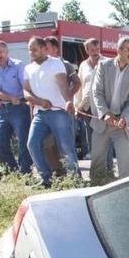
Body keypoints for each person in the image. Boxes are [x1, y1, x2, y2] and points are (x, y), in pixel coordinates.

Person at [24, 36, 80, 186]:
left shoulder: (56, 64)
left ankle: (75, 179)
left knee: (66, 147)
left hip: (59, 113)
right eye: (30, 49)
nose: (31, 52)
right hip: (40, 113)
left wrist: (68, 101)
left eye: (34, 49)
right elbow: (26, 92)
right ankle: (46, 178)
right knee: (32, 144)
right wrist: (39, 102)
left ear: (44, 49)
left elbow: (63, 85)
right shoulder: (28, 68)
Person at [90, 36, 129, 181]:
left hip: (122, 124)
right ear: (119, 50)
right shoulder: (103, 66)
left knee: (124, 164)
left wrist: (124, 118)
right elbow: (97, 92)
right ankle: (96, 187)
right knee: (97, 160)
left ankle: (126, 194)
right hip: (103, 121)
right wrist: (105, 114)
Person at [0, 41, 33, 175]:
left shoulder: (18, 65)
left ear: (6, 52)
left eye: (0, 52)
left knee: (23, 141)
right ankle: (13, 171)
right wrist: (9, 97)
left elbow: (25, 86)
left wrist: (20, 99)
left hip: (20, 107)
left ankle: (25, 171)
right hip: (4, 108)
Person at [42, 36, 82, 175]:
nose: (44, 52)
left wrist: (68, 98)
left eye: (46, 48)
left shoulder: (65, 65)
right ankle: (57, 174)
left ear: (55, 49)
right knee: (48, 144)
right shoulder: (40, 66)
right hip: (45, 112)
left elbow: (77, 82)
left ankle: (75, 175)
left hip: (63, 111)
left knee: (66, 144)